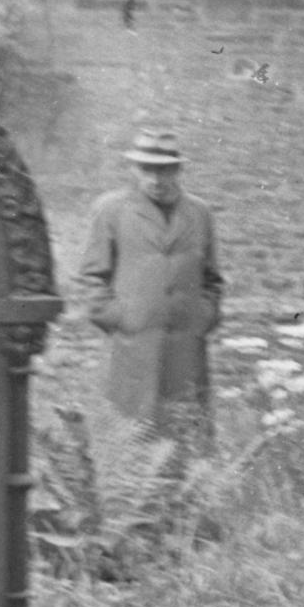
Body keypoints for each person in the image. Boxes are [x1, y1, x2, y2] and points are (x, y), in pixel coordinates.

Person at [79, 128, 224, 441]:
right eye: (148, 170)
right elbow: (93, 277)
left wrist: (203, 316)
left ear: (179, 170)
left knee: (184, 437)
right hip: (132, 347)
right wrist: (119, 318)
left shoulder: (199, 214)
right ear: (134, 169)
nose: (157, 180)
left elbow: (212, 279)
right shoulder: (111, 210)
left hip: (186, 349)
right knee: (130, 437)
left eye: (166, 170)